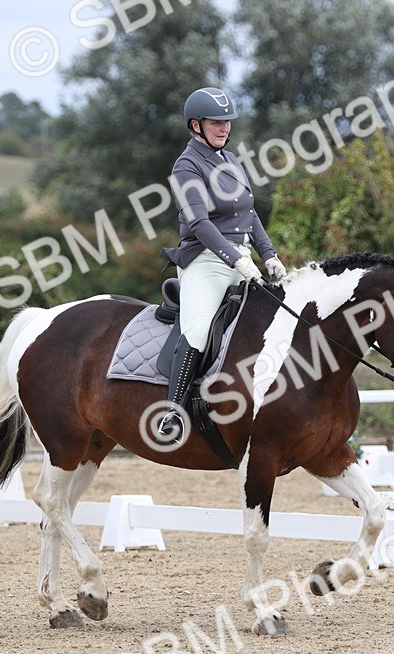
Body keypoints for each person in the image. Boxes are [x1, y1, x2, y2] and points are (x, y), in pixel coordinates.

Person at [157, 87, 286, 444]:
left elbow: (250, 213)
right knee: (197, 331)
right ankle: (173, 412)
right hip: (206, 262)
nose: (224, 128)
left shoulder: (230, 160)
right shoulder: (186, 167)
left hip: (243, 259)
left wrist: (269, 254)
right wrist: (237, 260)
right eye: (216, 122)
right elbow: (198, 223)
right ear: (196, 125)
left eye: (227, 122)